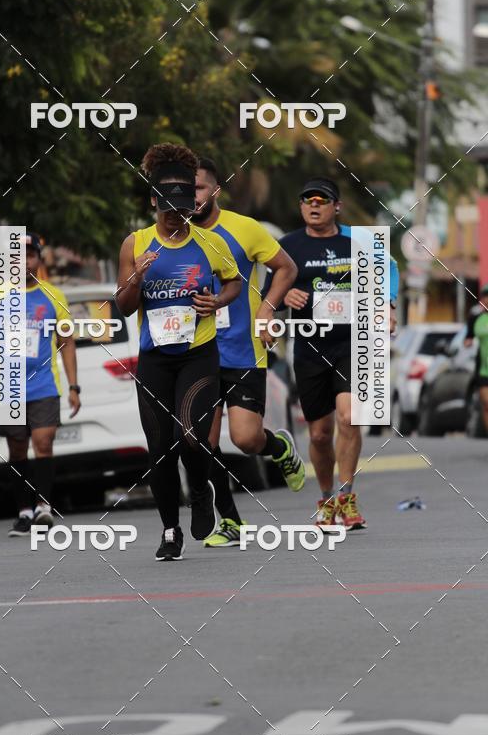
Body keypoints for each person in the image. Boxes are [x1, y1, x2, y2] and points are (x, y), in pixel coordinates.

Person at [116, 143, 242, 561]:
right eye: (167, 204)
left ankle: (202, 491)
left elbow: (234, 282)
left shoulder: (209, 242)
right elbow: (124, 305)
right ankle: (171, 529)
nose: (174, 213)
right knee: (159, 449)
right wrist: (136, 277)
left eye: (182, 203)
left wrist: (218, 302)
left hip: (198, 354)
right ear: (153, 200)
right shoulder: (135, 244)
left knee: (190, 435)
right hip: (154, 358)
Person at [189, 158, 305, 549]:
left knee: (245, 439)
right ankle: (231, 521)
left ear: (215, 191)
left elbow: (285, 268)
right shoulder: (176, 234)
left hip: (242, 350)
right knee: (203, 443)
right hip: (196, 354)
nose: (191, 197)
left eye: (199, 188)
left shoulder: (243, 228)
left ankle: (278, 446)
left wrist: (267, 308)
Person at [272, 179, 398, 531]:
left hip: (352, 342)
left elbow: (389, 269)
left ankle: (347, 495)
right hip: (310, 346)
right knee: (318, 435)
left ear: (336, 207)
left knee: (349, 417)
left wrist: (388, 304)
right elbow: (269, 292)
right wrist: (286, 298)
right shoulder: (287, 246)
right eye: (307, 200)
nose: (314, 206)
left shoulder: (359, 241)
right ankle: (326, 498)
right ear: (301, 208)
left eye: (322, 201)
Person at [0, 233, 81, 537]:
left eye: (30, 255)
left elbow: (67, 343)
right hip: (7, 386)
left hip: (44, 384)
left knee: (43, 442)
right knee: (17, 448)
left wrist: (74, 386)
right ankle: (23, 512)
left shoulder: (54, 295)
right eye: (16, 257)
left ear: (39, 259)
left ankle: (43, 507)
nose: (23, 262)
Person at [464, 284, 488, 432]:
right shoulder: (475, 318)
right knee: (486, 404)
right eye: (485, 297)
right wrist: (467, 342)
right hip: (484, 368)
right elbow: (468, 338)